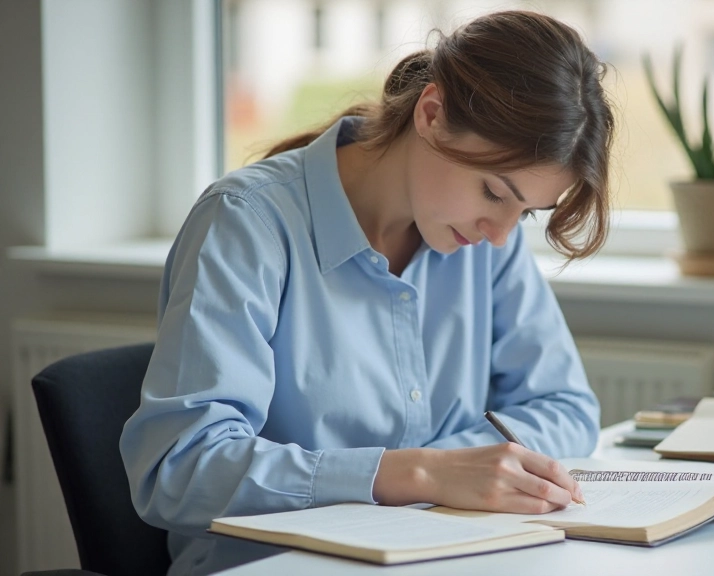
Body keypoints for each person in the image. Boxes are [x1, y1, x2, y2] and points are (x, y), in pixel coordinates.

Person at [120, 9, 614, 576]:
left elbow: (568, 409)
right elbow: (180, 470)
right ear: (431, 114)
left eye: (526, 212)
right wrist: (417, 474)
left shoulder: (484, 242)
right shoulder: (246, 223)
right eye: (494, 193)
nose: (501, 233)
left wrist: (452, 470)